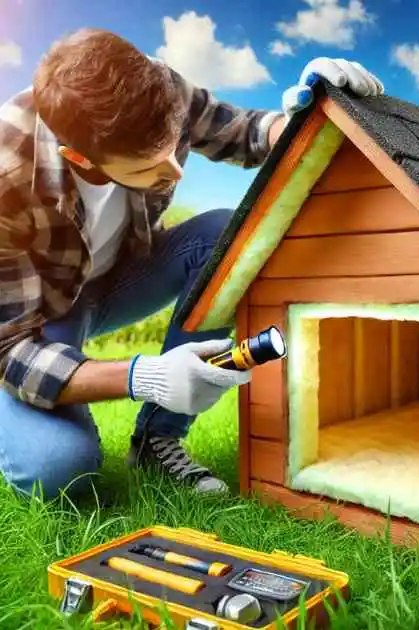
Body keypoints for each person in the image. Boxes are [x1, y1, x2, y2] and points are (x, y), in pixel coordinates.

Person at [0, 28, 384, 500]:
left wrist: (311, 114)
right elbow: (10, 348)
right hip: (37, 320)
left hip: (120, 280)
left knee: (222, 235)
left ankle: (157, 441)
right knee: (59, 473)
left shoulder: (158, 90)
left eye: (172, 149)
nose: (174, 173)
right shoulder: (8, 176)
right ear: (79, 158)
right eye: (147, 168)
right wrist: (146, 376)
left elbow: (246, 133)